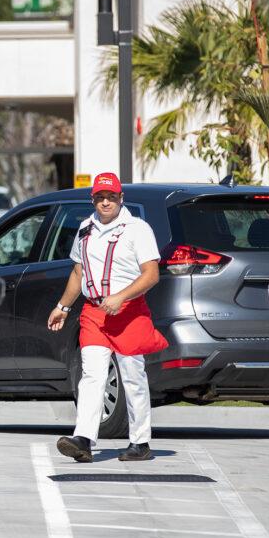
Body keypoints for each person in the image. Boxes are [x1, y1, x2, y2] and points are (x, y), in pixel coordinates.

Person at [48, 172, 168, 462]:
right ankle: (84, 439)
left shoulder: (137, 229)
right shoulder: (85, 228)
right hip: (94, 312)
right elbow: (78, 272)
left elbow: (151, 275)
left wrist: (121, 297)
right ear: (93, 199)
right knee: (92, 375)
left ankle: (140, 443)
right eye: (100, 197)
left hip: (129, 312)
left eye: (111, 197)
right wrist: (63, 307)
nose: (105, 202)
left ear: (120, 198)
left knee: (132, 376)